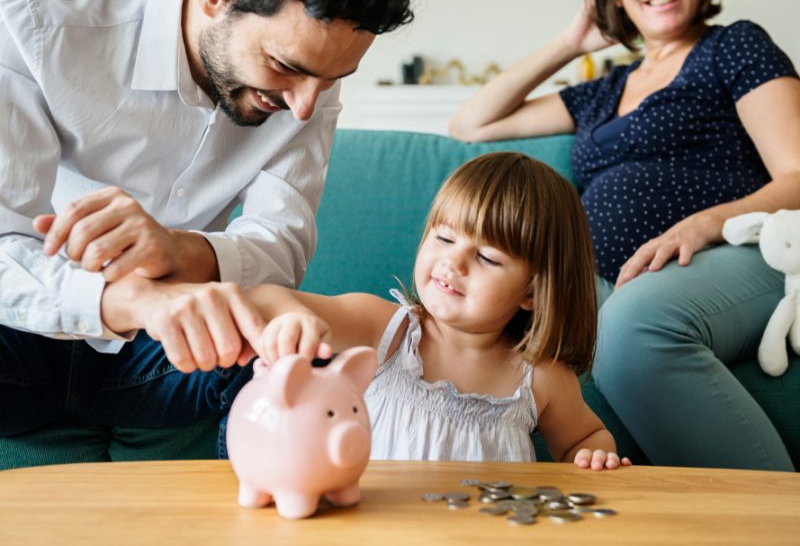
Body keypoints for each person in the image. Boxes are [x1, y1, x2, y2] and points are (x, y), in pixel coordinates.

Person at [0, 0, 415, 438]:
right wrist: (130, 299)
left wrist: (183, 250)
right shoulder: (29, 19)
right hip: (20, 342)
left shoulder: (310, 77)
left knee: (285, 360)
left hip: (168, 353)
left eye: (331, 81)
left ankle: (276, 497)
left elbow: (281, 248)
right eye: (284, 66)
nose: (304, 107)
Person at [448, 0, 800, 471]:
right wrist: (570, 43)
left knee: (634, 328)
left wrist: (704, 224)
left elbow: (796, 175)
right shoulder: (604, 90)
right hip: (613, 277)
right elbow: (470, 124)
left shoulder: (734, 46)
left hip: (734, 250)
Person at [247, 152, 632, 468]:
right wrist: (293, 319)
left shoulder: (541, 378)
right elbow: (264, 299)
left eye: (486, 257)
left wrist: (595, 457)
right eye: (444, 237)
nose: (453, 262)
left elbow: (585, 438)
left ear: (532, 292)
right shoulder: (385, 330)